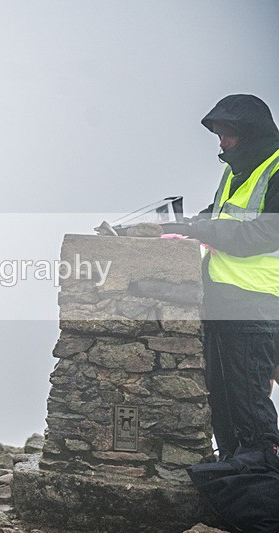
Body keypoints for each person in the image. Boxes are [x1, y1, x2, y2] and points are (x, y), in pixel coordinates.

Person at [177, 94, 279, 458]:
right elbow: (220, 214)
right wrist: (188, 224)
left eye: (227, 134)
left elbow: (266, 234)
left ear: (249, 133)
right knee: (224, 399)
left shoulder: (276, 169)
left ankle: (261, 490)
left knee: (247, 400)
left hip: (256, 302)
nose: (221, 143)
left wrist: (203, 231)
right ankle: (236, 477)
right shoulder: (236, 170)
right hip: (224, 297)